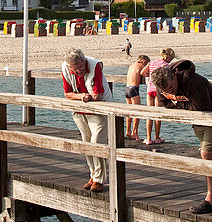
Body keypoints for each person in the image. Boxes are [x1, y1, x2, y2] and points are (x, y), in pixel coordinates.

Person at [152, 59, 212, 214]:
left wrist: (178, 102)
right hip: (197, 118)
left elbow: (203, 106)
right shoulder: (162, 85)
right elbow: (165, 104)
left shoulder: (193, 81)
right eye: (167, 90)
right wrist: (180, 101)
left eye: (172, 87)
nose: (172, 92)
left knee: (207, 153)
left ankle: (211, 199)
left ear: (174, 77)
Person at [61, 48, 113, 192]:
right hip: (80, 110)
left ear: (84, 62)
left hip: (98, 110)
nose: (79, 71)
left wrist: (85, 96)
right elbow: (67, 94)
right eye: (75, 70)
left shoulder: (94, 65)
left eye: (81, 68)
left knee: (97, 142)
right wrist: (81, 96)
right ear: (70, 67)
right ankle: (93, 175)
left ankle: (99, 179)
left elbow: (97, 94)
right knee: (86, 143)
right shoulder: (65, 68)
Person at [140, 48, 174, 145]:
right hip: (158, 90)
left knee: (149, 114)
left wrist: (150, 76)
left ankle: (148, 138)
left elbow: (142, 72)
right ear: (167, 57)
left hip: (150, 89)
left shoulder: (152, 62)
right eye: (171, 58)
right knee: (157, 114)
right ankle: (157, 137)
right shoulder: (166, 65)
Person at [124, 55, 150, 140]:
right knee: (137, 112)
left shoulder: (132, 65)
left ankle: (128, 131)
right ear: (143, 61)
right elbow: (143, 73)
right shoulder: (140, 66)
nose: (146, 65)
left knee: (129, 112)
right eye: (146, 63)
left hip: (127, 89)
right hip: (134, 89)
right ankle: (135, 132)